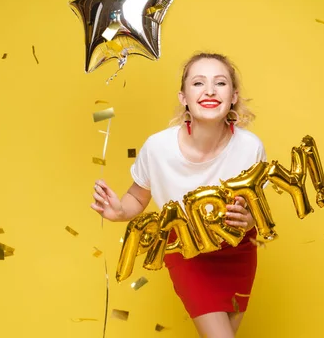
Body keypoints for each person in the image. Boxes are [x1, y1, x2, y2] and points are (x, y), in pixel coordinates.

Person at [90, 52, 267, 338]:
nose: (209, 90)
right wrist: (120, 212)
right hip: (187, 251)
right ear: (183, 97)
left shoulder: (250, 148)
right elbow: (137, 197)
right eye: (198, 83)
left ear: (233, 96)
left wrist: (247, 221)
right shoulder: (158, 148)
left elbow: (255, 213)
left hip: (238, 251)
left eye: (219, 83)